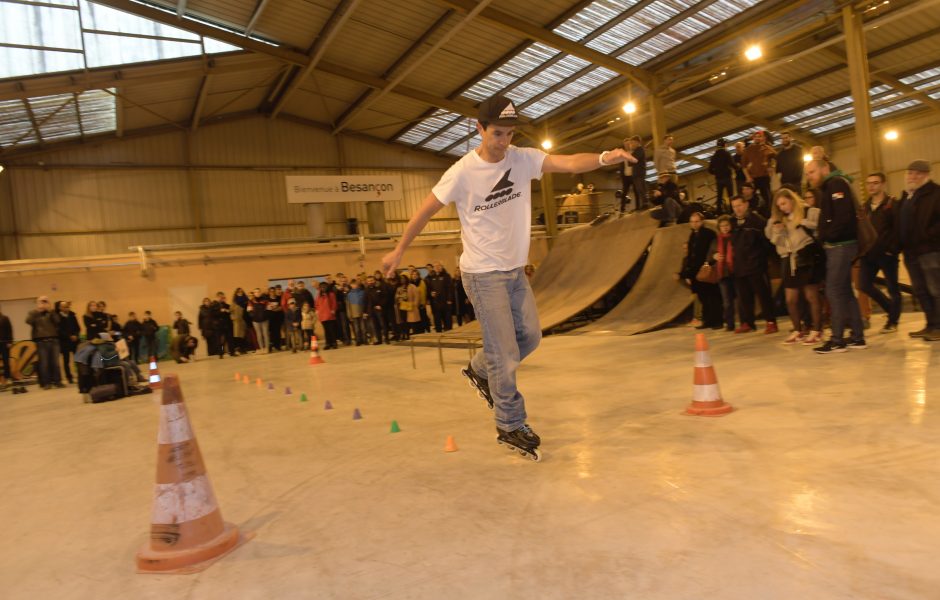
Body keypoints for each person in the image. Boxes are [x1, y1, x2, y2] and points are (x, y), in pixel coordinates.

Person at [381, 94, 636, 458]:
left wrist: (602, 158)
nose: (504, 142)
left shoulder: (524, 159)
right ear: (480, 129)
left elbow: (564, 163)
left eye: (510, 134)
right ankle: (510, 424)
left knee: (529, 338)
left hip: (515, 271)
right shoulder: (461, 172)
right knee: (504, 351)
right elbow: (425, 210)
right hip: (483, 276)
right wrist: (400, 250)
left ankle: (479, 370)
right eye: (497, 133)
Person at [805, 159, 866, 353]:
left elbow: (843, 217)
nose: (809, 177)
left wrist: (828, 237)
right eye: (807, 173)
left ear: (825, 169)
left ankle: (837, 339)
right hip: (840, 245)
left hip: (840, 245)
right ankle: (857, 337)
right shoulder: (831, 186)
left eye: (812, 172)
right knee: (845, 291)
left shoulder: (836, 184)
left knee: (833, 291)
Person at [765, 189, 824, 345]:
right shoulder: (776, 219)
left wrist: (801, 222)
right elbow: (773, 241)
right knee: (791, 299)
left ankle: (817, 330)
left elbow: (820, 225)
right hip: (787, 259)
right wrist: (778, 232)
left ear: (792, 199)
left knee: (811, 296)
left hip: (806, 257)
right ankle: (797, 330)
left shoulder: (807, 211)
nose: (782, 207)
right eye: (779, 205)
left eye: (784, 203)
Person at [895, 160, 940, 341]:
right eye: (910, 173)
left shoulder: (935, 193)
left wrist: (928, 235)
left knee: (936, 290)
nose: (913, 176)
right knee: (921, 290)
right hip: (910, 252)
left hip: (930, 250)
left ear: (926, 175)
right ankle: (930, 325)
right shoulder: (907, 196)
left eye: (918, 173)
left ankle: (938, 327)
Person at [857, 172, 901, 334]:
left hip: (887, 254)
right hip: (869, 255)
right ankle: (891, 308)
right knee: (863, 285)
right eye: (868, 183)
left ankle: (892, 322)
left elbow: (898, 229)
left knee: (893, 289)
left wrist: (893, 250)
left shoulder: (891, 204)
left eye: (875, 183)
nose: (871, 186)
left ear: (883, 184)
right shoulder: (864, 208)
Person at [729, 195, 778, 334]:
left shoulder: (757, 221)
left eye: (739, 205)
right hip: (740, 266)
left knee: (764, 295)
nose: (737, 209)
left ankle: (771, 322)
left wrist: (763, 259)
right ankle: (748, 323)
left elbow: (767, 242)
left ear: (746, 205)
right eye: (734, 206)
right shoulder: (732, 222)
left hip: (756, 265)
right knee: (744, 297)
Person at [680, 212, 722, 329]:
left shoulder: (709, 234)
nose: (694, 224)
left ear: (702, 221)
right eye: (692, 221)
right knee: (703, 297)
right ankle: (707, 320)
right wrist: (688, 272)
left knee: (713, 296)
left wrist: (710, 263)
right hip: (695, 272)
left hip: (706, 269)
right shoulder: (692, 235)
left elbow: (713, 250)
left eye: (697, 221)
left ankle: (717, 321)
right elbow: (690, 254)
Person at [26, 296, 64, 389]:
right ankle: (46, 383)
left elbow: (58, 320)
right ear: (37, 303)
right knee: (44, 363)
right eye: (41, 301)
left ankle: (58, 381)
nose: (43, 303)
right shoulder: (33, 313)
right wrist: (38, 310)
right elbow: (28, 321)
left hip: (54, 340)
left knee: (55, 363)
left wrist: (50, 309)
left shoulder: (51, 312)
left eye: (45, 301)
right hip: (41, 341)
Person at [709, 216, 737, 331]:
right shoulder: (716, 241)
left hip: (736, 272)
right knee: (727, 301)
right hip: (723, 274)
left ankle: (746, 321)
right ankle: (730, 324)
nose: (725, 228)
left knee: (741, 298)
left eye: (727, 225)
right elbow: (709, 257)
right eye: (722, 226)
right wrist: (714, 256)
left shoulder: (736, 237)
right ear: (719, 227)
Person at [743, 130, 777, 217]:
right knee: (752, 197)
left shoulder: (766, 147)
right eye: (756, 136)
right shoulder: (748, 149)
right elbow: (744, 165)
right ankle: (752, 214)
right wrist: (748, 177)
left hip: (764, 177)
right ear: (753, 138)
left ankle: (768, 215)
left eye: (760, 136)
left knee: (767, 197)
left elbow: (775, 155)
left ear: (763, 138)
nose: (757, 138)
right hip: (753, 178)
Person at [619, 135, 646, 211]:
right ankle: (622, 208)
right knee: (624, 192)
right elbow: (621, 165)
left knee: (637, 191)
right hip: (625, 176)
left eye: (629, 143)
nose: (627, 145)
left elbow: (633, 162)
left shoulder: (635, 152)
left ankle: (638, 206)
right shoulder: (622, 154)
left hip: (634, 174)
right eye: (626, 144)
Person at [708, 138, 734, 215]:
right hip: (727, 178)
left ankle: (719, 212)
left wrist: (716, 173)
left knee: (719, 196)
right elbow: (732, 164)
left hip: (719, 179)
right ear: (724, 145)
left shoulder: (714, 156)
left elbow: (710, 170)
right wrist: (738, 167)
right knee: (730, 195)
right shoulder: (727, 154)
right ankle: (732, 211)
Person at [56, 300, 80, 384]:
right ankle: (69, 377)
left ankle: (80, 375)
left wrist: (76, 335)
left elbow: (78, 327)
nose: (66, 308)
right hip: (64, 342)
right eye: (64, 306)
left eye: (67, 306)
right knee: (66, 361)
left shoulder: (72, 315)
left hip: (74, 341)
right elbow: (59, 330)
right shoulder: (57, 317)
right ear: (60, 308)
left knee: (78, 359)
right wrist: (69, 336)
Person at [426, 261, 455, 332]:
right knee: (437, 319)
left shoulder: (446, 276)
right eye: (435, 266)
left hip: (445, 302)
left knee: (447, 320)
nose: (437, 267)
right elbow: (429, 288)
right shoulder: (430, 277)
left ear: (442, 267)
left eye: (438, 266)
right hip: (435, 303)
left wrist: (449, 299)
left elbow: (450, 288)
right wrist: (430, 293)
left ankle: (449, 332)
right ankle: (438, 333)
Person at [315, 281, 339, 349]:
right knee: (326, 331)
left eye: (324, 287)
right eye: (322, 287)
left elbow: (334, 303)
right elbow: (316, 304)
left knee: (332, 330)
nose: (323, 288)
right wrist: (317, 310)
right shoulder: (318, 295)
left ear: (327, 287)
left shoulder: (331, 294)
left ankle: (334, 343)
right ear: (320, 288)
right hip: (322, 316)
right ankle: (328, 344)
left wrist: (333, 310)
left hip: (330, 315)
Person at [247, 288, 270, 353]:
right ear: (254, 294)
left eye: (258, 292)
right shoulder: (251, 301)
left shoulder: (265, 300)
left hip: (265, 320)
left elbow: (269, 309)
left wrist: (265, 315)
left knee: (265, 334)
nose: (257, 293)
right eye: (256, 292)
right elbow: (249, 311)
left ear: (260, 292)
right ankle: (261, 348)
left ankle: (267, 348)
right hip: (255, 321)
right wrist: (253, 316)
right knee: (258, 335)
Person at [346, 281, 366, 346]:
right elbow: (348, 305)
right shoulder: (349, 294)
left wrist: (365, 312)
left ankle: (364, 340)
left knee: (363, 328)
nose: (354, 286)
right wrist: (349, 314)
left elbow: (365, 302)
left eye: (355, 284)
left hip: (362, 312)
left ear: (357, 285)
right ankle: (358, 340)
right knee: (356, 328)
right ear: (351, 285)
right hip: (354, 313)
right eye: (353, 285)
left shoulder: (362, 292)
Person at [1, 304, 15, 387]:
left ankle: (8, 378)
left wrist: (10, 342)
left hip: (4, 343)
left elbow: (10, 330)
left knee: (6, 361)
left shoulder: (5, 318)